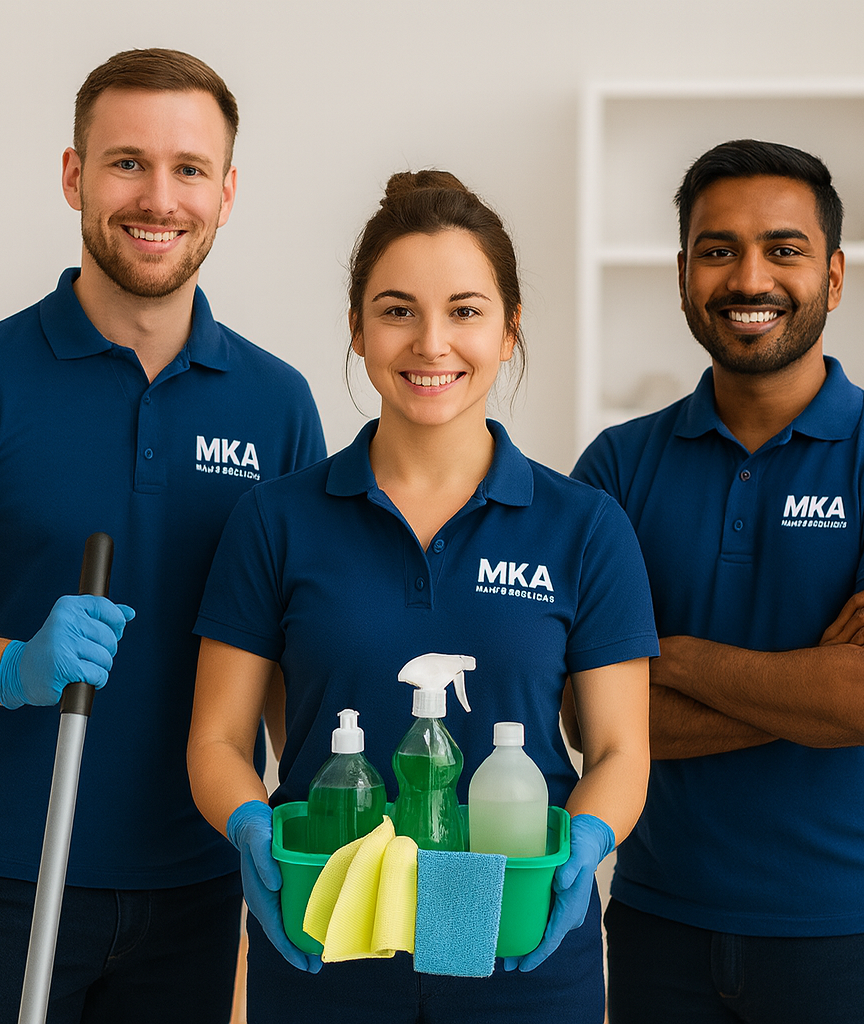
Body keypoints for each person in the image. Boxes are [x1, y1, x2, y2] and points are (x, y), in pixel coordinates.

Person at [187, 169, 659, 1023]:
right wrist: (251, 825)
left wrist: (585, 843)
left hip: (511, 945)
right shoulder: (276, 521)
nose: (431, 343)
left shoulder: (584, 528)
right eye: (398, 310)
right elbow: (217, 738)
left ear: (510, 330)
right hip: (330, 936)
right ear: (359, 331)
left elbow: (622, 752)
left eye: (466, 311)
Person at [0, 48, 325, 1024]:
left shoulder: (278, 406)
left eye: (190, 168)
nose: (159, 197)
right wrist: (17, 665)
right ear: (74, 174)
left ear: (227, 193)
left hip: (199, 877)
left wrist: (302, 831)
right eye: (126, 162)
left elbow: (291, 652)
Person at [570, 139, 864, 1023]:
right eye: (718, 249)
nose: (750, 278)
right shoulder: (616, 471)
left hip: (846, 931)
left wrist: (672, 657)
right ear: (682, 274)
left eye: (784, 249)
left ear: (836, 274)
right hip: (660, 920)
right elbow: (588, 720)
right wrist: (812, 680)